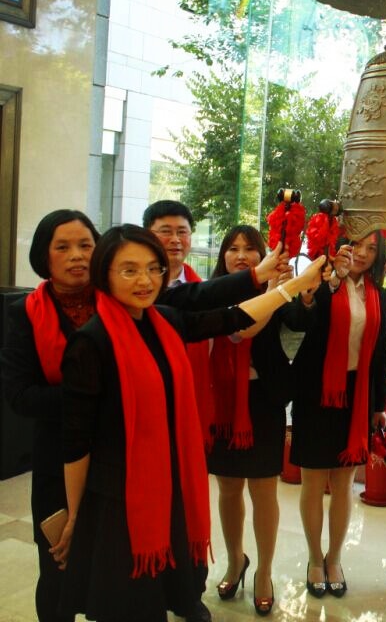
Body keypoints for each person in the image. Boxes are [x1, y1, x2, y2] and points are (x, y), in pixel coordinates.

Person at [52, 224, 324, 622]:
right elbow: (76, 442)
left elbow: (234, 319)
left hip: (169, 482)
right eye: (129, 270)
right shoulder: (91, 342)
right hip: (118, 496)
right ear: (104, 275)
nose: (145, 280)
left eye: (153, 269)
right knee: (131, 603)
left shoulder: (163, 320)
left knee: (168, 585)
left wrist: (292, 286)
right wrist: (76, 514)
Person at [0, 210, 99, 622]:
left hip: (114, 454)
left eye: (86, 245)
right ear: (45, 255)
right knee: (58, 564)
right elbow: (20, 396)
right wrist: (89, 396)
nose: (77, 255)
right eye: (63, 247)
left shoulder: (118, 302)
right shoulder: (25, 311)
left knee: (108, 567)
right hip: (55, 459)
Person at [286, 232, 386, 599]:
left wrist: (378, 405)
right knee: (314, 482)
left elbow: (380, 351)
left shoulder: (376, 293)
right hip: (316, 393)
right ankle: (315, 559)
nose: (362, 253)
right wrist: (329, 284)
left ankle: (335, 558)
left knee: (344, 483)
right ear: (342, 245)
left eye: (372, 248)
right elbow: (298, 320)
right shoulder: (321, 278)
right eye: (357, 245)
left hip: (356, 396)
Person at [205, 225, 301, 616]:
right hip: (222, 403)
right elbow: (238, 332)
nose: (241, 255)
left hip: (263, 401)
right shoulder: (211, 294)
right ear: (223, 256)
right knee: (228, 488)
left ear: (262, 255)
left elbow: (300, 320)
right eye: (233, 248)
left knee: (264, 491)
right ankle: (235, 561)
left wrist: (298, 290)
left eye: (249, 248)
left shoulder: (276, 289)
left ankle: (264, 571)